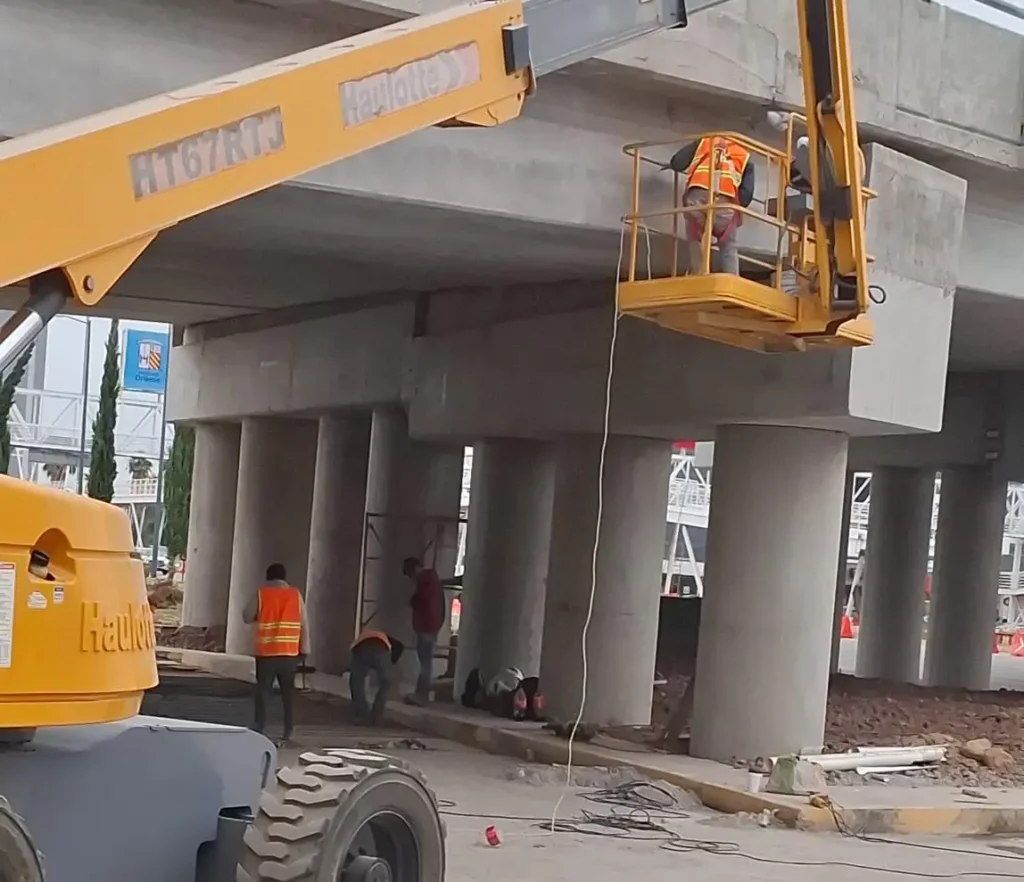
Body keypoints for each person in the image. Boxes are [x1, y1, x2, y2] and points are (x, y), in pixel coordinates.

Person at [242, 563, 310, 744]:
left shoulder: (261, 593)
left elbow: (246, 616)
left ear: (268, 577)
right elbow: (304, 623)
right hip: (289, 654)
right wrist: (305, 649)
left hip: (266, 654)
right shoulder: (295, 595)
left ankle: (260, 727)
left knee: (263, 691)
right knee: (288, 694)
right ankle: (289, 730)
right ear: (284, 577)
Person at [668, 136, 754, 276]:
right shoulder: (744, 155)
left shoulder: (704, 142)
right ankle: (731, 280)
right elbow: (746, 195)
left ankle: (698, 274)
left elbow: (677, 162)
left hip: (697, 197)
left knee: (695, 236)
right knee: (728, 245)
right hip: (725, 201)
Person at [402, 556, 445, 706]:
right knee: (426, 662)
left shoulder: (425, 582)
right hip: (431, 627)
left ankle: (421, 695)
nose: (411, 578)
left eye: (410, 574)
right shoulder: (432, 581)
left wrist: (414, 602)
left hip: (426, 628)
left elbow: (423, 603)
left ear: (414, 570)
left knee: (425, 663)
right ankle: (421, 694)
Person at [347, 630, 405, 724]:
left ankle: (361, 714)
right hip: (380, 649)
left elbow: (353, 651)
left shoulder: (363, 636)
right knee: (387, 683)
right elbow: (400, 647)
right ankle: (376, 715)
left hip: (361, 649)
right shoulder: (390, 641)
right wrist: (393, 661)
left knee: (356, 682)